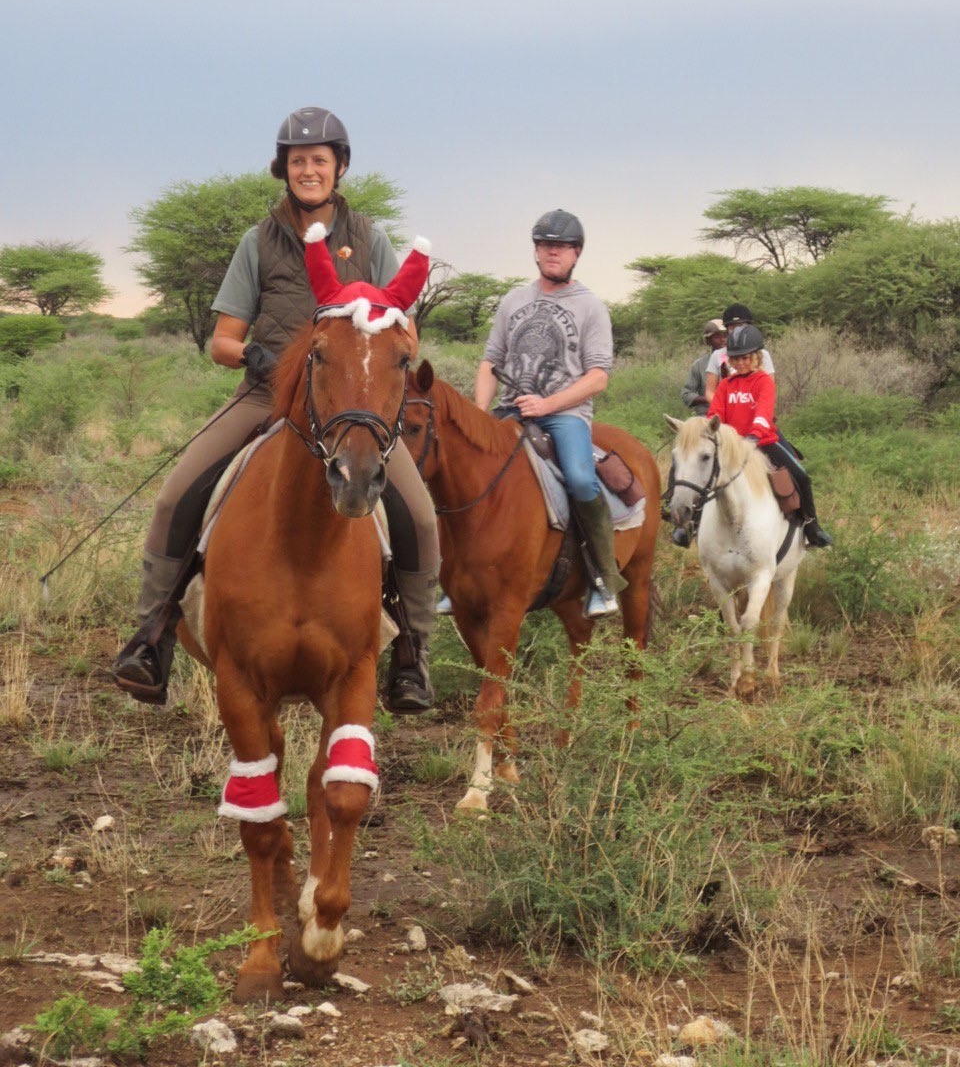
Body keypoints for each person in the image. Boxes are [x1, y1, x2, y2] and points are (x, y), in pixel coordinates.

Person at [110, 106, 440, 712]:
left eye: (319, 160)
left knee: (418, 516)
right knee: (175, 494)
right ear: (282, 169)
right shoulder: (256, 242)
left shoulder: (371, 238)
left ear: (340, 167)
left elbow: (405, 333)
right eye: (297, 161)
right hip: (268, 396)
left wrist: (373, 333)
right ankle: (151, 635)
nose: (308, 171)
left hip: (349, 404)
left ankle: (413, 653)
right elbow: (221, 342)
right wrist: (256, 357)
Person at [475, 209, 626, 617]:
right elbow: (491, 360)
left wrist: (547, 405)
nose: (551, 253)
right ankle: (456, 575)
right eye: (544, 245)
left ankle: (603, 579)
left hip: (565, 414)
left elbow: (597, 378)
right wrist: (478, 412)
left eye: (559, 247)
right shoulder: (514, 300)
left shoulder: (591, 306)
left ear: (576, 253)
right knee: (467, 470)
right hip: (511, 409)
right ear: (536, 251)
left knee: (579, 478)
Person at [707, 323, 833, 548]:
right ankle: (688, 525)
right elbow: (715, 413)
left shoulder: (763, 381)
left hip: (762, 442)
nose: (741, 363)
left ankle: (812, 526)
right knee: (697, 473)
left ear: (756, 357)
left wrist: (754, 436)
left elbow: (764, 412)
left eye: (746, 358)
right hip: (732, 446)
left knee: (802, 477)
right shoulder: (725, 385)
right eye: (736, 359)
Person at [703, 303, 775, 403]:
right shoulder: (717, 355)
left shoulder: (762, 354)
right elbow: (710, 392)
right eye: (732, 327)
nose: (737, 331)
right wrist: (723, 409)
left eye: (741, 326)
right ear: (727, 329)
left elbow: (770, 388)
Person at [680, 319, 727, 415]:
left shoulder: (740, 361)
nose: (723, 339)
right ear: (708, 340)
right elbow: (686, 395)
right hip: (707, 416)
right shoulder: (699, 365)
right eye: (717, 336)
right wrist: (709, 398)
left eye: (725, 335)